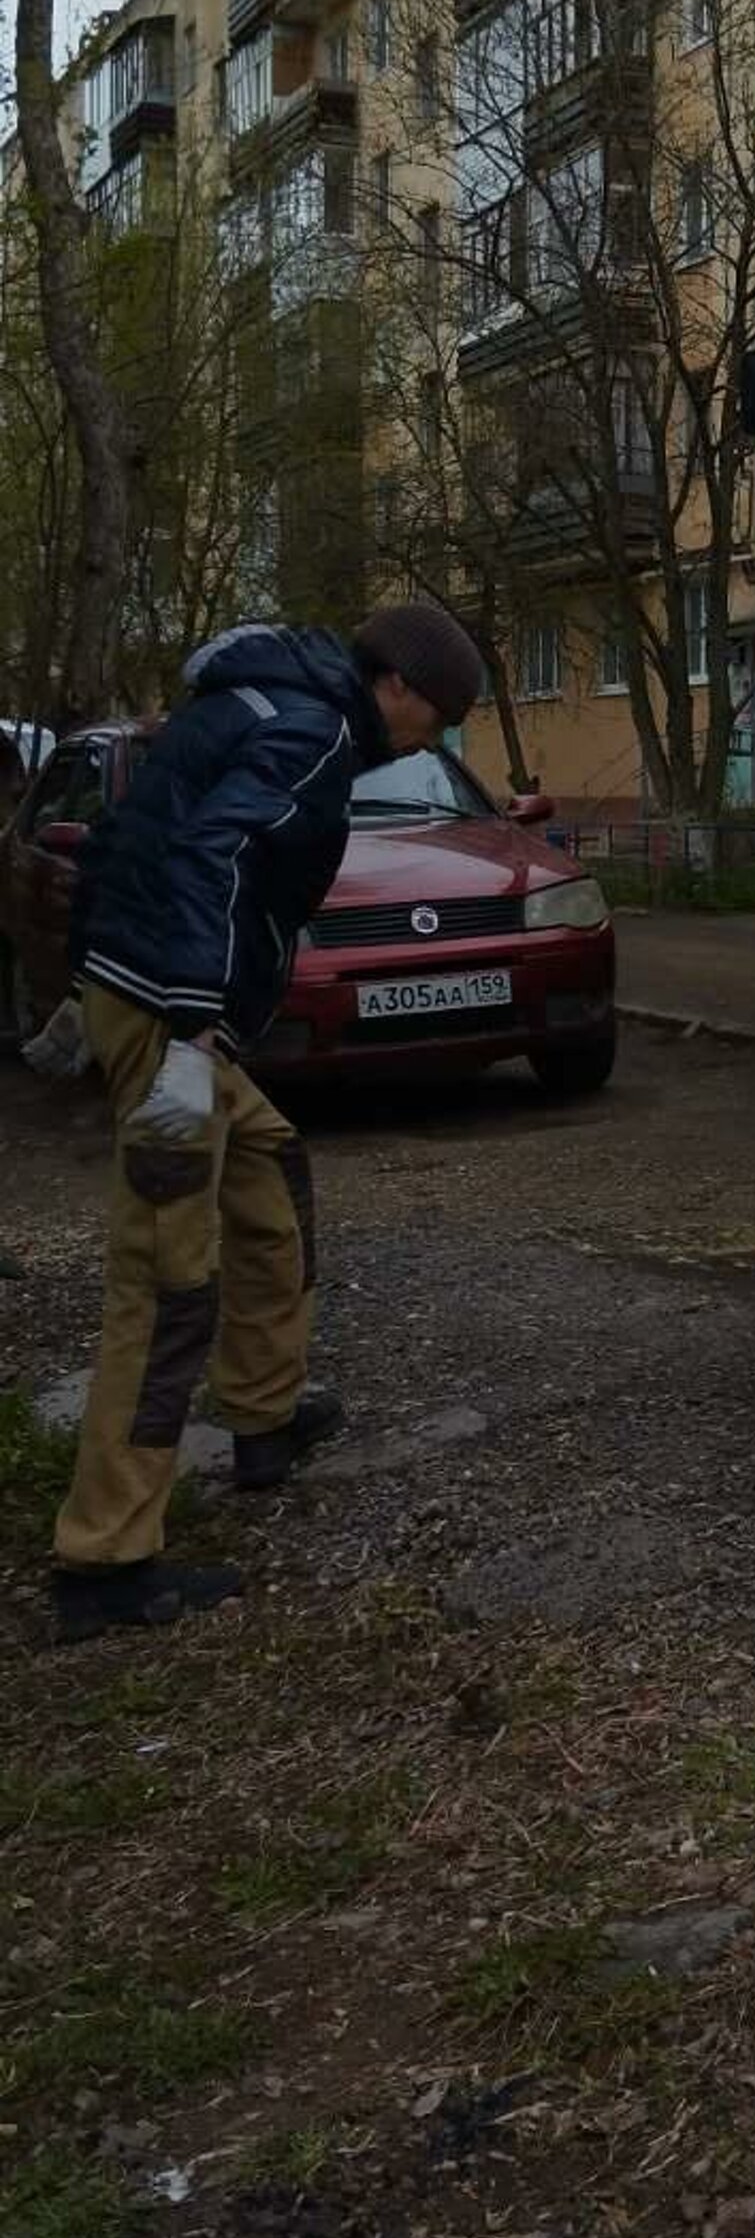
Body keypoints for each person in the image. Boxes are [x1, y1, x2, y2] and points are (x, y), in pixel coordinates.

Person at [43, 601, 484, 1645]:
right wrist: (194, 1035)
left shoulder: (261, 700)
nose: (439, 738)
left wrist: (84, 985)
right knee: (163, 1279)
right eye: (445, 717)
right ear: (404, 692)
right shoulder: (314, 730)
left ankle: (264, 1413)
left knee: (270, 1171)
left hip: (147, 994)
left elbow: (129, 830)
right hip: (170, 1016)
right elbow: (216, 858)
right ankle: (105, 1560)